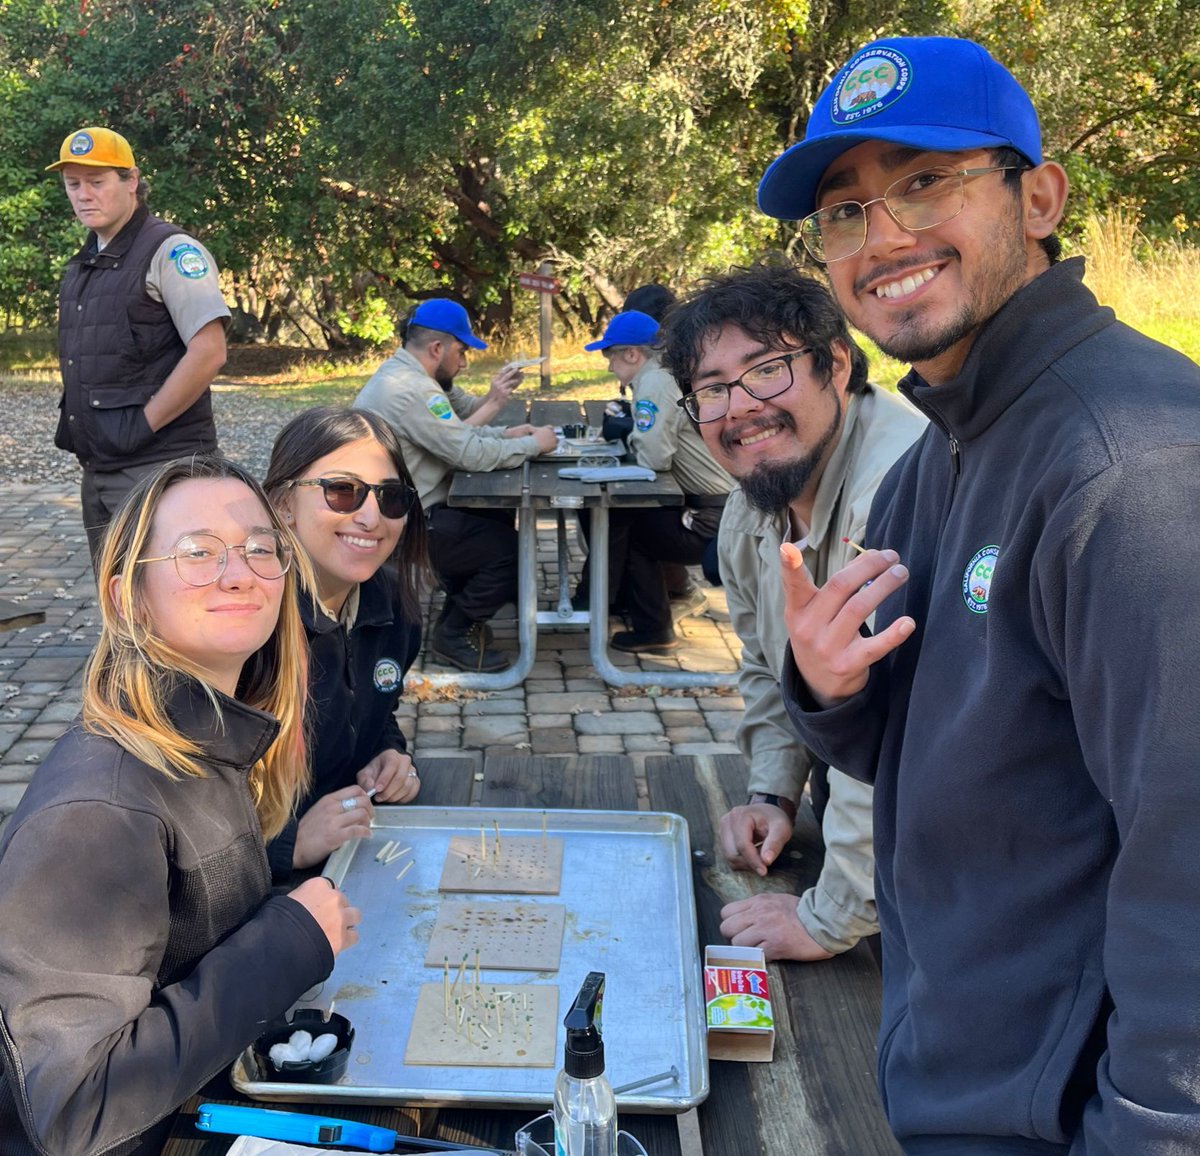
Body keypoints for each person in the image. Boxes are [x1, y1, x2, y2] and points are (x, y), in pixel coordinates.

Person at [760, 35, 1200, 1154]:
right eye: (847, 210)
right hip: (947, 1062)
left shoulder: (1133, 466)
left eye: (925, 182)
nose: (884, 237)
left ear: (1039, 196)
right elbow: (906, 743)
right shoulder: (940, 452)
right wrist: (821, 682)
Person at [0, 456, 359, 1156]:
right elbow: (71, 1110)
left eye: (261, 548)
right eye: (197, 552)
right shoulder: (96, 813)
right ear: (128, 599)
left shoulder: (203, 736)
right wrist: (287, 941)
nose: (239, 572)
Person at [660, 264, 925, 962]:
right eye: (710, 390)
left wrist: (828, 917)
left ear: (835, 364)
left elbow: (903, 738)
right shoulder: (751, 510)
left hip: (960, 886)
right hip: (869, 841)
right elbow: (766, 665)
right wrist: (772, 795)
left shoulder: (903, 494)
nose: (739, 408)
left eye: (766, 370)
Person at [47, 127, 230, 566]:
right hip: (100, 471)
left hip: (161, 470)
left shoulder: (170, 252)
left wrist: (143, 426)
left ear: (131, 181)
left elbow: (209, 351)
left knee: (172, 614)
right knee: (121, 614)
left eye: (97, 182)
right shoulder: (86, 263)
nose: (84, 195)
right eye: (74, 184)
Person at [262, 406, 429, 882]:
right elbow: (182, 808)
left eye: (392, 497)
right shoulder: (247, 627)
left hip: (355, 855)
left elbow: (373, 712)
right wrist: (287, 845)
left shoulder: (393, 605)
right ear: (282, 504)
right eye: (342, 491)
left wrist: (391, 756)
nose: (371, 517)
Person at [353, 299, 557, 672]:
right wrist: (533, 445)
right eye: (461, 352)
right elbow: (467, 452)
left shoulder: (406, 375)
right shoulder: (413, 389)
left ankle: (464, 615)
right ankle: (454, 632)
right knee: (513, 552)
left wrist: (505, 432)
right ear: (437, 349)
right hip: (403, 521)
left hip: (400, 506)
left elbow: (455, 431)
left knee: (492, 519)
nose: (463, 363)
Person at [580, 310, 734, 652]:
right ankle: (613, 601)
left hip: (712, 516)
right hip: (722, 503)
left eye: (611, 357)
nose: (609, 368)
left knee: (632, 530)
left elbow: (654, 459)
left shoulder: (653, 382)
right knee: (626, 520)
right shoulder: (668, 373)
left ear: (632, 354)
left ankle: (653, 629)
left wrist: (626, 431)